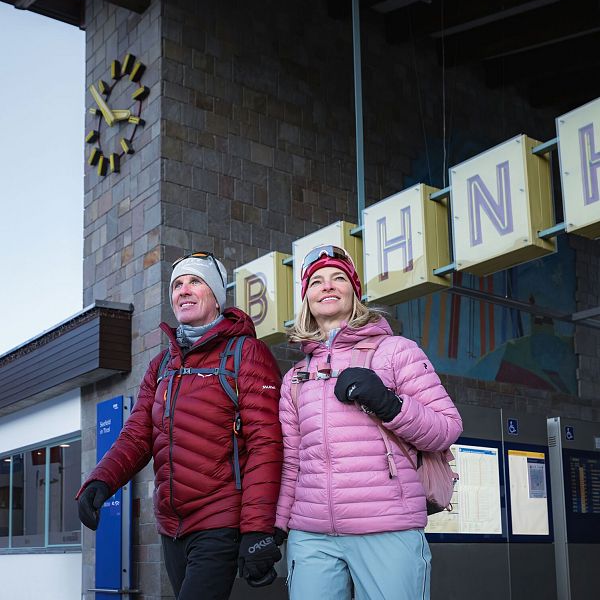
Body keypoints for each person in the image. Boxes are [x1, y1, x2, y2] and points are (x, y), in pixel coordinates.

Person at [77, 252, 283, 600]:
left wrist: (256, 528)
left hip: (221, 521)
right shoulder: (162, 365)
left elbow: (266, 443)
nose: (183, 291)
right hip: (172, 526)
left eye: (195, 282)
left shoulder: (245, 353)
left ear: (216, 296)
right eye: (177, 285)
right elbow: (138, 433)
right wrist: (101, 479)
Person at [274, 245, 463, 600]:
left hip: (386, 527)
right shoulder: (295, 378)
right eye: (316, 281)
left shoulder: (396, 352)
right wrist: (278, 526)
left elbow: (447, 427)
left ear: (354, 292)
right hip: (312, 536)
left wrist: (390, 405)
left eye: (338, 278)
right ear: (307, 298)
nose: (327, 286)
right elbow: (292, 461)